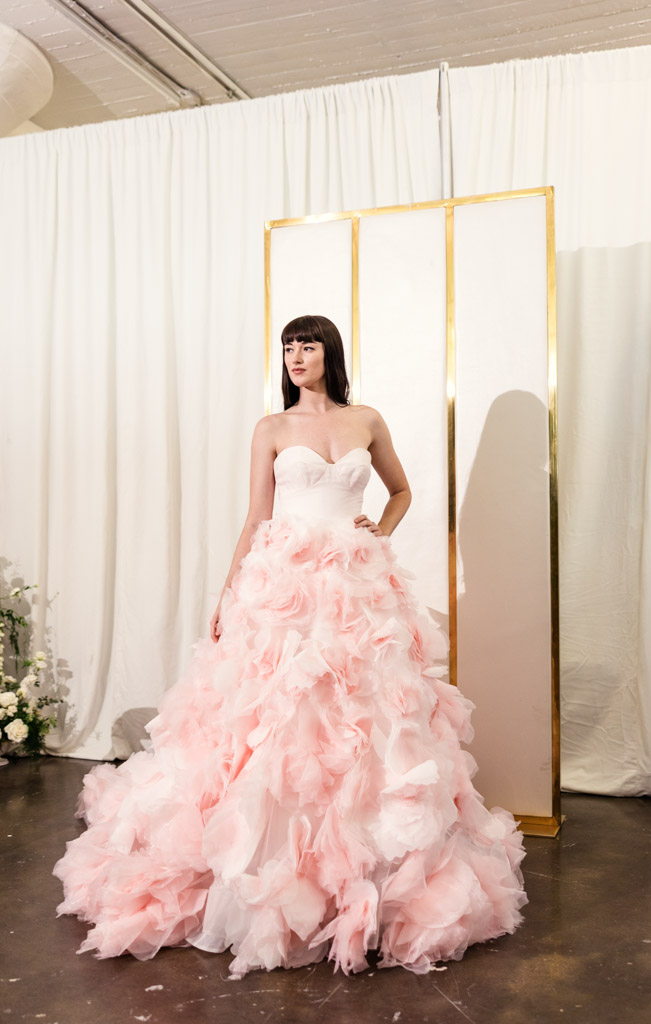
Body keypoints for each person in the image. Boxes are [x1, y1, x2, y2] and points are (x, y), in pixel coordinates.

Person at [54, 314, 527, 978]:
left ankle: (362, 866)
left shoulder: (365, 419)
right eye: (287, 346)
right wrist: (226, 593)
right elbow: (257, 514)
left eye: (306, 344)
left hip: (358, 590)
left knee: (364, 723)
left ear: (328, 352)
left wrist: (378, 530)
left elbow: (401, 491)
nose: (294, 355)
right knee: (282, 722)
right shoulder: (271, 429)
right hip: (286, 589)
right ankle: (270, 867)